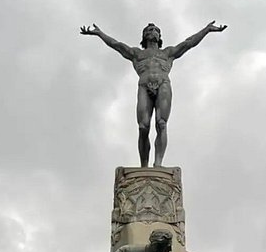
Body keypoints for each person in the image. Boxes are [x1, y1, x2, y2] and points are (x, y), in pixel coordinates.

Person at [80, 21, 227, 167]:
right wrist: (99, 34)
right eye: (149, 30)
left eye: (156, 30)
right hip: (144, 85)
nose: (152, 31)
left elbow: (189, 43)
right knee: (143, 127)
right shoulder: (137, 53)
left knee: (161, 124)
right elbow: (116, 44)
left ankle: (158, 163)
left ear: (159, 36)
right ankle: (144, 165)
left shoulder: (167, 53)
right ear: (144, 36)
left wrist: (206, 30)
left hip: (163, 84)